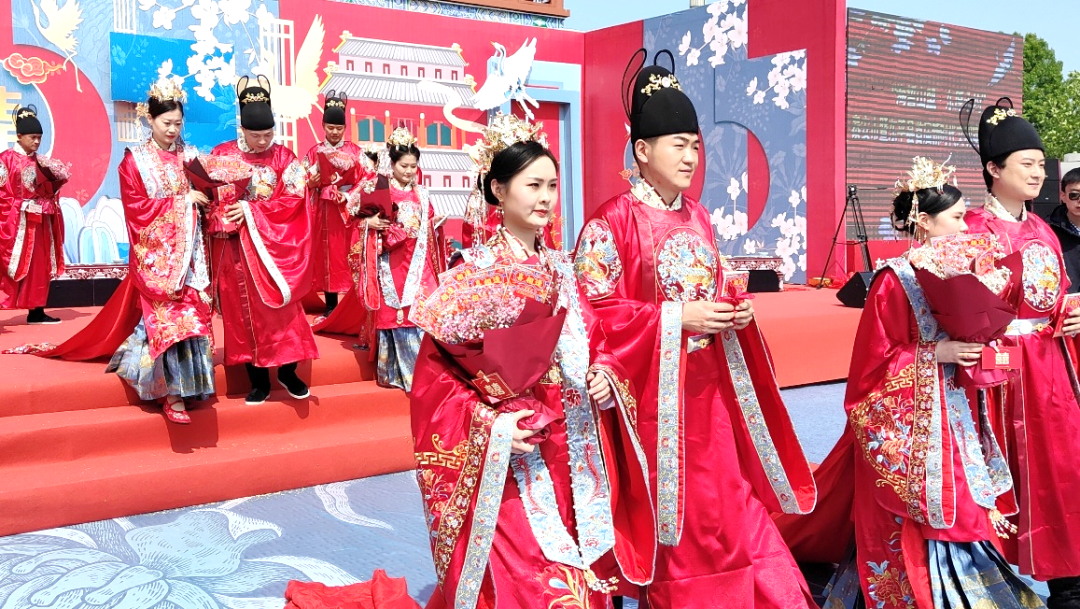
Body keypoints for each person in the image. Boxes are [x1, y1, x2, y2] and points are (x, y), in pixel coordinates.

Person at [572, 50, 816, 608]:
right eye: (678, 145)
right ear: (642, 151)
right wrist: (677, 318)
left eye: (696, 146)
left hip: (709, 394)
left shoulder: (699, 215)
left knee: (727, 504)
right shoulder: (611, 222)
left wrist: (734, 311)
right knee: (678, 517)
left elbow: (713, 284)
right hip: (655, 404)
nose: (691, 158)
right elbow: (593, 313)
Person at [409, 114, 653, 609]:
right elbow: (436, 384)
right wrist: (494, 428)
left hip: (577, 447)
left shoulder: (564, 268)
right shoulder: (471, 276)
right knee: (544, 588)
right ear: (498, 190)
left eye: (552, 186)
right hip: (515, 455)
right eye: (533, 185)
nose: (545, 198)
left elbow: (599, 336)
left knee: (591, 574)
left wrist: (605, 372)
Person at [813, 157, 1044, 608]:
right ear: (923, 221)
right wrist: (935, 354)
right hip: (914, 427)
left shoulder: (964, 273)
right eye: (956, 218)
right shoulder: (893, 281)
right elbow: (870, 369)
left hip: (955, 414)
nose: (964, 227)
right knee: (923, 517)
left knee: (965, 502)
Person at [960, 97, 1080, 609]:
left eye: (1041, 165)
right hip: (996, 372)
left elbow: (1057, 295)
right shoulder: (969, 229)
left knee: (1062, 468)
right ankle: (982, 580)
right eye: (1026, 163)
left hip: (1049, 366)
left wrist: (1074, 313)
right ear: (994, 169)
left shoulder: (1043, 230)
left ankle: (1068, 578)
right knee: (999, 470)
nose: (1038, 173)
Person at [105, 75, 216, 424]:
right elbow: (137, 210)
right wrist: (184, 202)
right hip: (158, 254)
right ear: (149, 119)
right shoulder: (134, 161)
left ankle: (190, 385)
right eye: (166, 123)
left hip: (191, 253)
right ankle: (172, 394)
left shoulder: (192, 156)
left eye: (178, 123)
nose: (172, 130)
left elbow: (209, 197)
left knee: (192, 316)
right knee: (170, 320)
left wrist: (210, 197)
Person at [210, 75, 319, 405]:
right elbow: (212, 200)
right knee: (242, 311)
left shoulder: (285, 158)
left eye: (268, 134)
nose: (263, 141)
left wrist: (252, 211)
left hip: (275, 248)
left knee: (283, 310)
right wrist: (226, 213)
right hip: (237, 251)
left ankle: (288, 370)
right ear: (242, 129)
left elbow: (295, 199)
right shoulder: (222, 155)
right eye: (255, 135)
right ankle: (257, 379)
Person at [346, 128, 443, 392]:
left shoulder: (422, 193)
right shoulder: (377, 187)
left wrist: (433, 224)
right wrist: (369, 223)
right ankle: (399, 374)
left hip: (419, 260)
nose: (410, 171)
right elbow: (350, 212)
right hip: (390, 259)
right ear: (392, 163)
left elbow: (428, 221)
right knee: (396, 312)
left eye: (413, 166)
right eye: (404, 166)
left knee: (423, 310)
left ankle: (427, 375)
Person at [0, 105, 68, 324]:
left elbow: (46, 191)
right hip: (15, 223)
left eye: (39, 138)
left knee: (39, 266)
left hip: (38, 222)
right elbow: (2, 195)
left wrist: (51, 195)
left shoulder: (41, 162)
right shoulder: (5, 160)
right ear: (19, 136)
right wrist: (22, 206)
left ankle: (36, 311)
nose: (37, 142)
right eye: (33, 137)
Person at [303, 91, 366, 316]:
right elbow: (299, 180)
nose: (335, 132)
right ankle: (330, 306)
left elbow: (368, 179)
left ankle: (352, 306)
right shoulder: (314, 152)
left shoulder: (355, 152)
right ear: (323, 126)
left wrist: (348, 196)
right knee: (326, 256)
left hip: (346, 211)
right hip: (322, 210)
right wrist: (310, 183)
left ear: (345, 128)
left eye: (339, 128)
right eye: (330, 127)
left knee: (347, 254)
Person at [1046, 167, 1080, 293]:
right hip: (1064, 301)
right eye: (1074, 195)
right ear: (1063, 196)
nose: (1079, 200)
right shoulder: (1048, 231)